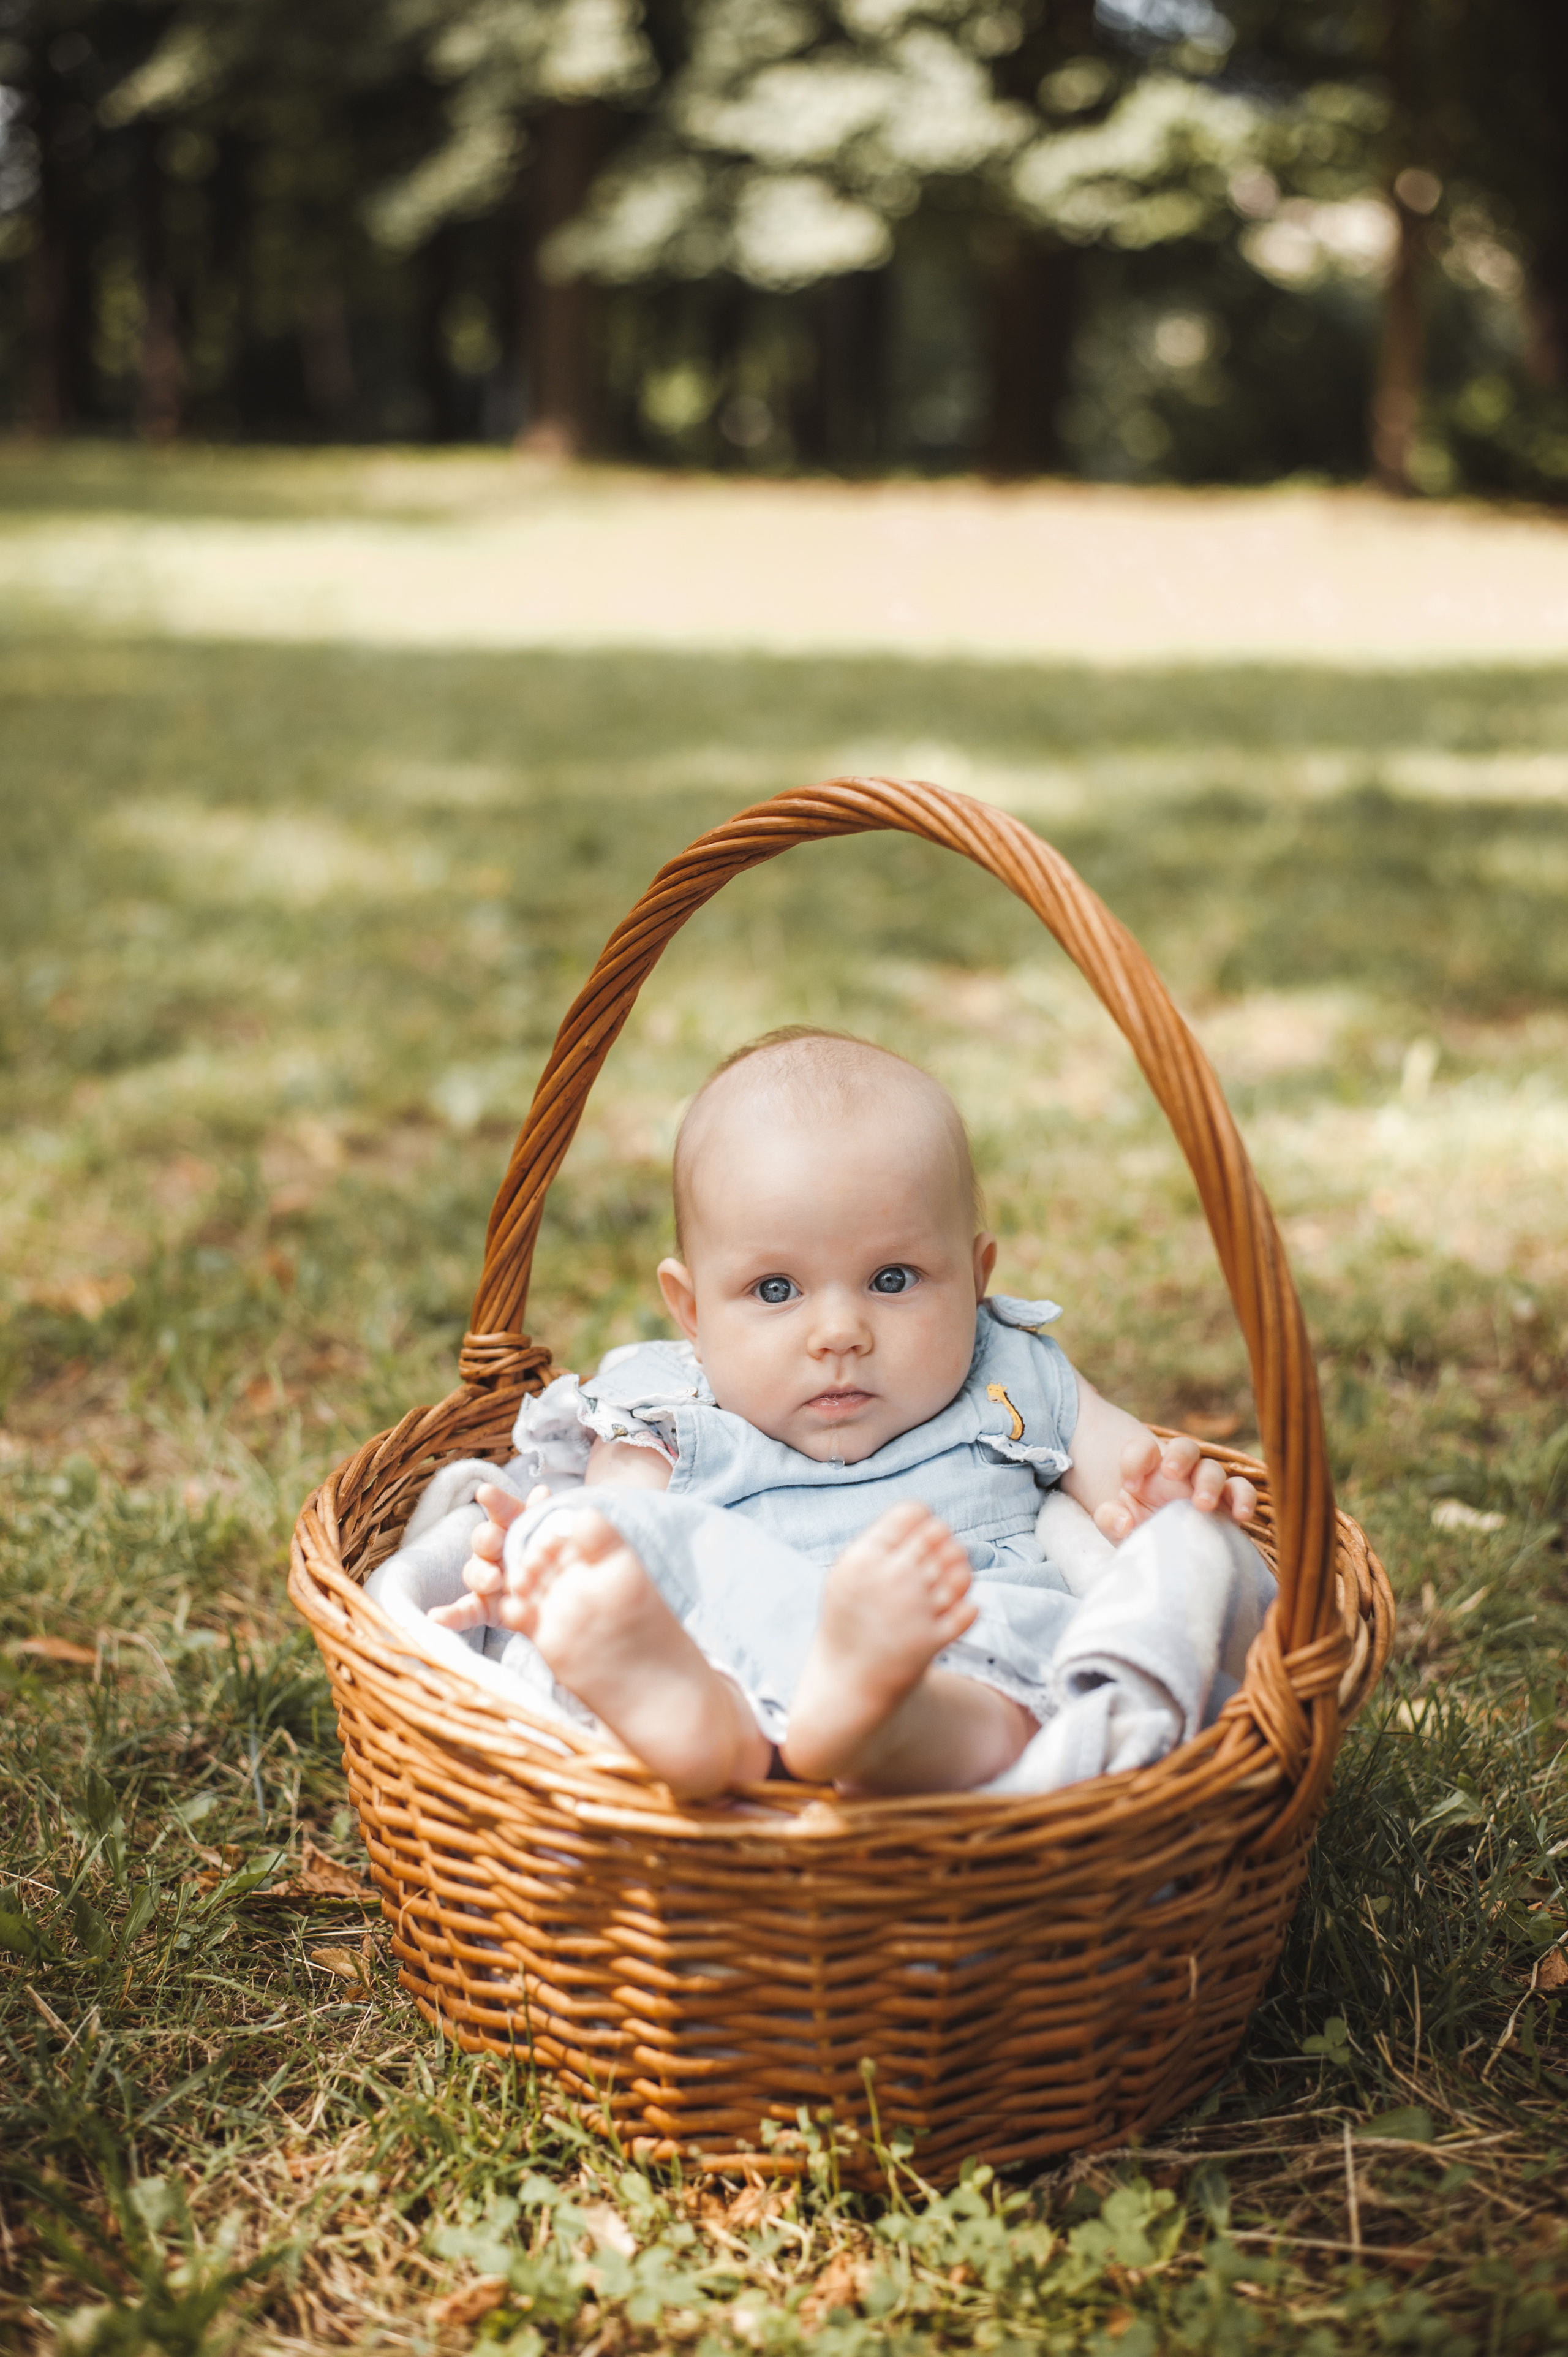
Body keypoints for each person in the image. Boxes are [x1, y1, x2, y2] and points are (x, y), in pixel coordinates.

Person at [432, 1029, 1257, 1799]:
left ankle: (876, 1720)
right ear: (690, 1310)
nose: (839, 1334)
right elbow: (618, 1527)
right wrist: (550, 1561)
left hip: (960, 1642)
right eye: (776, 1290)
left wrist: (1168, 1511)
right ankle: (693, 1716)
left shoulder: (1010, 1373)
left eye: (892, 1279)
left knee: (1020, 1703)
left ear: (977, 1278)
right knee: (639, 1605)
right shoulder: (667, 1405)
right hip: (734, 1641)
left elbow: (1133, 1475)